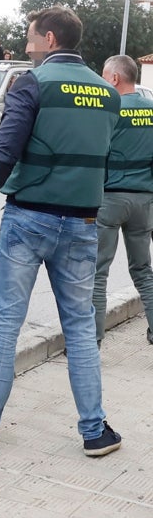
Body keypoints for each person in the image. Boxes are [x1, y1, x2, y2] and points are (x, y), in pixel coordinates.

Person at [0, 5, 122, 456]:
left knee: (6, 322)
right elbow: (109, 159)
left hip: (29, 219)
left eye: (31, 37)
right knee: (81, 329)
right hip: (83, 221)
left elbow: (3, 152)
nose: (27, 44)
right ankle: (94, 432)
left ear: (50, 40)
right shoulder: (108, 94)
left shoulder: (33, 84)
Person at [92, 55, 153, 345]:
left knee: (97, 273)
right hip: (144, 201)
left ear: (115, 78)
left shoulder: (109, 110)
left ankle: (93, 341)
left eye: (105, 77)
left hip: (110, 200)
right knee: (143, 270)